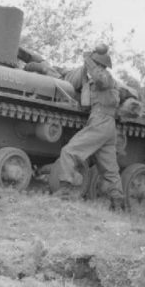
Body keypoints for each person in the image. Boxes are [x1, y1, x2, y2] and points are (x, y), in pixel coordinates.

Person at [52, 45, 126, 210]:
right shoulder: (97, 81)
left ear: (98, 64)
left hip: (100, 122)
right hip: (108, 125)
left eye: (93, 64)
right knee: (110, 169)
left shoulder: (105, 77)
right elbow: (87, 101)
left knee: (69, 151)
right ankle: (118, 204)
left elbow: (100, 79)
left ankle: (65, 190)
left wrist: (88, 61)